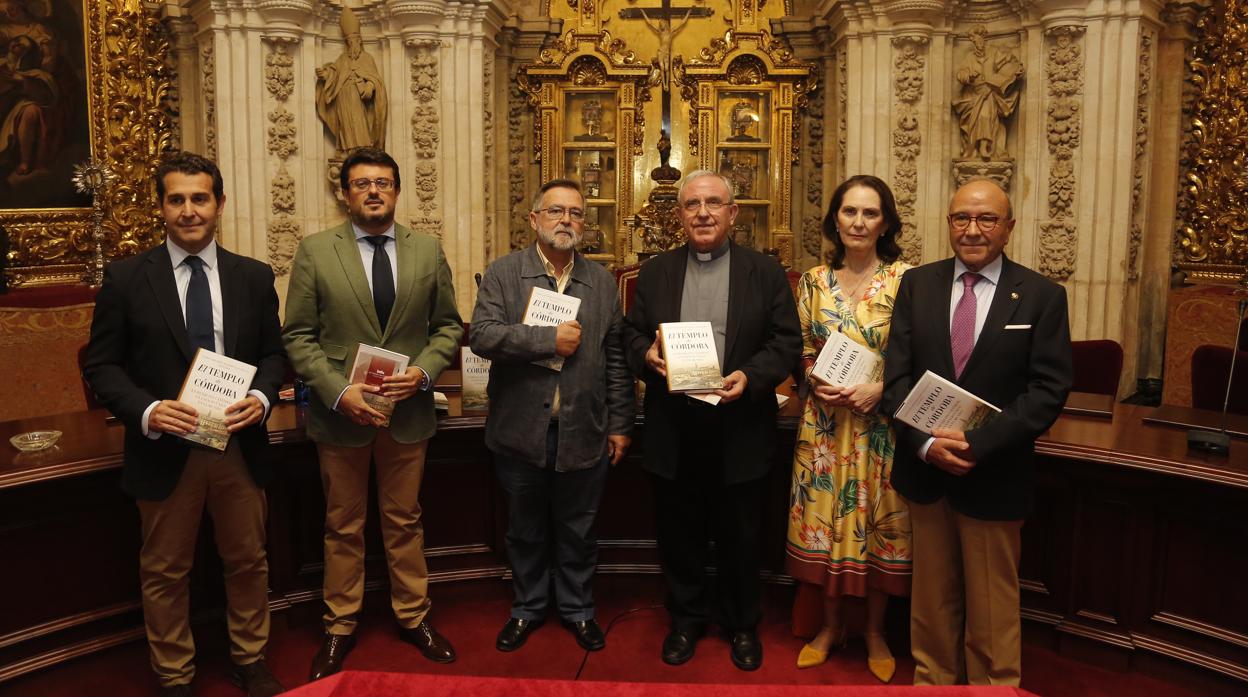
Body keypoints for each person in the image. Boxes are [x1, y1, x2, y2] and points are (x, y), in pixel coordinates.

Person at [82, 152, 287, 697]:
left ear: (220, 204)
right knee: (166, 570)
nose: (189, 210)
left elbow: (274, 354)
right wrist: (148, 410)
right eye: (177, 199)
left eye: (200, 198)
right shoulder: (126, 279)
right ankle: (174, 674)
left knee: (247, 560)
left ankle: (250, 656)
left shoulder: (253, 276)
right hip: (164, 449)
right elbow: (101, 365)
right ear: (162, 208)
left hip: (237, 446)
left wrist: (263, 398)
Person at [881, 178, 1072, 685]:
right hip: (926, 474)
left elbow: (1048, 391)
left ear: (1008, 227)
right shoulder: (917, 285)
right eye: (960, 218)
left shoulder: (1041, 296)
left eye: (986, 219)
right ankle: (934, 683)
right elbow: (895, 379)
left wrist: (978, 444)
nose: (972, 229)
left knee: (992, 604)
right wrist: (924, 445)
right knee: (933, 599)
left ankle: (993, 689)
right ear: (948, 223)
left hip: (995, 473)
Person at [283, 147, 463, 680]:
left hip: (406, 415)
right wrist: (339, 392)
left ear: (397, 190)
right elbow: (298, 335)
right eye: (361, 184)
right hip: (342, 417)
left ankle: (415, 616)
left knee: (405, 521)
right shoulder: (316, 251)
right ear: (345, 193)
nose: (373, 191)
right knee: (342, 525)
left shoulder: (427, 251)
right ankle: (339, 626)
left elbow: (448, 327)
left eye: (383, 182)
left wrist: (425, 372)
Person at [623, 170, 801, 671]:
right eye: (692, 205)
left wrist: (750, 374)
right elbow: (630, 335)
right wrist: (648, 357)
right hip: (673, 428)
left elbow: (786, 342)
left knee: (742, 533)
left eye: (713, 203)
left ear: (732, 213)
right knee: (678, 533)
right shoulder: (655, 272)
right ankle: (685, 621)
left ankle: (741, 624)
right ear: (679, 215)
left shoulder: (764, 272)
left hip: (739, 424)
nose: (703, 213)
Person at [469, 178, 635, 653]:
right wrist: (546, 340)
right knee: (524, 530)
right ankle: (527, 608)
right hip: (521, 432)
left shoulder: (602, 282)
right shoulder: (504, 274)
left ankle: (579, 610)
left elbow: (617, 360)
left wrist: (621, 423)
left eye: (576, 213)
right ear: (534, 219)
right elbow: (481, 335)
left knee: (579, 529)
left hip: (584, 430)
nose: (566, 220)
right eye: (556, 211)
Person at [786, 175, 911, 682]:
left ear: (886, 222)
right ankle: (829, 628)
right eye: (849, 212)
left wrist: (881, 389)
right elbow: (799, 346)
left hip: (879, 430)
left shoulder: (908, 279)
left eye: (870, 213)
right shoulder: (814, 281)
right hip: (822, 430)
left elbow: (919, 355)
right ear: (835, 219)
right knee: (825, 527)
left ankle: (875, 633)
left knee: (876, 528)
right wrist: (813, 378)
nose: (858, 222)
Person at [315, 6, 388, 152]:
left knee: (358, 121)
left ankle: (364, 148)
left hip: (357, 96)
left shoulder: (367, 58)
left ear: (360, 41)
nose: (351, 44)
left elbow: (375, 79)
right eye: (348, 41)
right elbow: (335, 72)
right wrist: (326, 75)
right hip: (342, 96)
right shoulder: (343, 58)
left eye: (354, 40)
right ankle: (347, 149)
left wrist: (370, 86)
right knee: (346, 122)